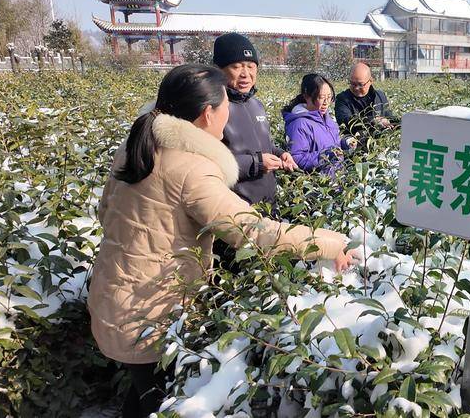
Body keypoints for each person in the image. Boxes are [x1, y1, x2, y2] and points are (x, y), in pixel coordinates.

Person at [88, 64, 357, 418]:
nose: (229, 114)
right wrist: (331, 243)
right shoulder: (190, 167)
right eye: (226, 106)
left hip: (115, 295)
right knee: (163, 402)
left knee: (143, 393)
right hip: (151, 312)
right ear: (207, 114)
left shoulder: (137, 144)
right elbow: (254, 233)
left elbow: (104, 211)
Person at [213, 32, 297, 208]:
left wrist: (280, 153)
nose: (245, 74)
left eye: (251, 66)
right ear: (219, 70)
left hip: (269, 204)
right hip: (238, 209)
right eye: (236, 67)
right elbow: (211, 162)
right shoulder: (214, 109)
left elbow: (264, 145)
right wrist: (256, 163)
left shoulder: (256, 105)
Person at [282, 73, 357, 174]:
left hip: (337, 178)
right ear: (306, 96)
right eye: (321, 97)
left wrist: (346, 143)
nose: (326, 102)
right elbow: (296, 159)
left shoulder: (327, 118)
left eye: (329, 97)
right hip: (319, 182)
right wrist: (327, 155)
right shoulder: (299, 124)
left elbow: (334, 143)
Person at [334, 62, 398, 135]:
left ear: (370, 81)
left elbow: (390, 118)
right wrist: (373, 120)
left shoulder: (380, 96)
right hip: (355, 140)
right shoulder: (342, 99)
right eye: (353, 84)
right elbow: (346, 121)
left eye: (360, 84)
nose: (356, 88)